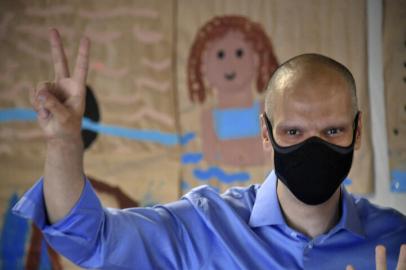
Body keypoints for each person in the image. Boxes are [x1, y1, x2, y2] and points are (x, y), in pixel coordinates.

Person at [13, 29, 406, 270]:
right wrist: (64, 143)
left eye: (333, 129)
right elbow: (89, 239)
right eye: (293, 131)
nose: (314, 146)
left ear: (357, 132)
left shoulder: (396, 240)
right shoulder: (203, 227)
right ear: (266, 135)